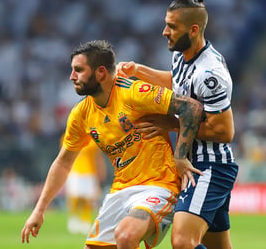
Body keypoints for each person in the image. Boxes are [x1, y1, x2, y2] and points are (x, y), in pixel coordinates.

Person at [21, 40, 204, 248]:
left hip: (158, 185)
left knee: (126, 236)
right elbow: (63, 163)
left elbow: (192, 108)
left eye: (79, 70)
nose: (72, 76)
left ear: (100, 73)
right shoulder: (81, 113)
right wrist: (40, 209)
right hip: (120, 190)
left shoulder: (134, 92)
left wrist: (179, 156)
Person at [117, 0, 239, 249]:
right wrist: (139, 71)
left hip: (209, 167)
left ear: (193, 30)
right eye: (166, 24)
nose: (164, 32)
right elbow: (177, 84)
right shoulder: (182, 56)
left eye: (172, 26)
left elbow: (225, 132)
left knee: (183, 241)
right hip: (195, 163)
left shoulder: (210, 74)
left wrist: (172, 124)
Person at [64, 137, 106, 235]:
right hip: (75, 171)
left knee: (88, 198)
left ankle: (85, 221)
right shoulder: (68, 136)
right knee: (75, 197)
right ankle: (73, 219)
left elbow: (98, 158)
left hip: (90, 172)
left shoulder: (94, 140)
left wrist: (101, 171)